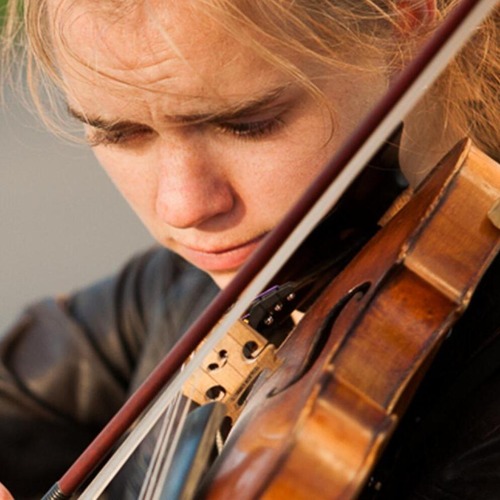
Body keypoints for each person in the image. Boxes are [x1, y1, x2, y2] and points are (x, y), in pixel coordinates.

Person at [0, 0, 499, 498]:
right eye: (120, 134)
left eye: (249, 123)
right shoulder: (180, 295)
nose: (183, 208)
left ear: (405, 17)